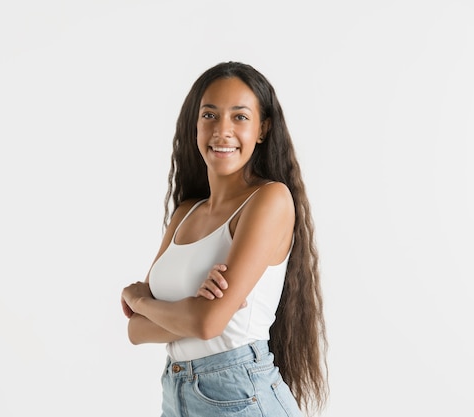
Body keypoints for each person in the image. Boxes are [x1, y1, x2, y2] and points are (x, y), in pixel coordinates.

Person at [121, 61, 327, 417]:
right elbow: (136, 332)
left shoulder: (269, 199)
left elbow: (206, 324)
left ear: (262, 129)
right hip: (177, 394)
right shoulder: (185, 213)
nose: (222, 130)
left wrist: (140, 299)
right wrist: (185, 309)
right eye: (210, 115)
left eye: (240, 117)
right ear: (195, 125)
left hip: (240, 394)